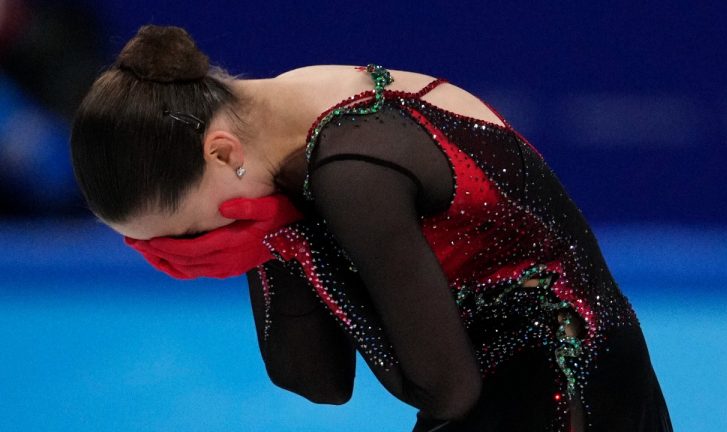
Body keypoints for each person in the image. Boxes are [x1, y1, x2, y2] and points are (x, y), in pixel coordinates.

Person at [70, 25, 673, 432]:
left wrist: (289, 238)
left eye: (186, 234)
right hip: (528, 384)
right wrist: (276, 242)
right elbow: (316, 381)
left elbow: (443, 388)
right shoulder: (271, 133)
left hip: (571, 395)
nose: (187, 257)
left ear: (223, 155)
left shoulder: (352, 168)